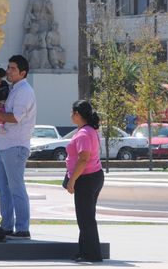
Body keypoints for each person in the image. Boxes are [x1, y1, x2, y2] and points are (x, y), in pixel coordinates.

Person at [0, 55, 36, 239]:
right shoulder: (12, 89)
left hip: (15, 145)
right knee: (1, 186)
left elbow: (15, 118)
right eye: (8, 67)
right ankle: (7, 226)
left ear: (23, 73)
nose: (8, 71)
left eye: (13, 68)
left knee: (16, 187)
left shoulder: (24, 91)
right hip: (2, 144)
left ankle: (23, 228)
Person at [66, 100, 104, 263]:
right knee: (85, 216)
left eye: (72, 112)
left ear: (77, 114)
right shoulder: (89, 130)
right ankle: (84, 251)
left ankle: (93, 254)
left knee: (86, 218)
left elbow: (83, 159)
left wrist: (72, 180)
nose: (70, 116)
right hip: (93, 176)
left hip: (86, 178)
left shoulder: (83, 133)